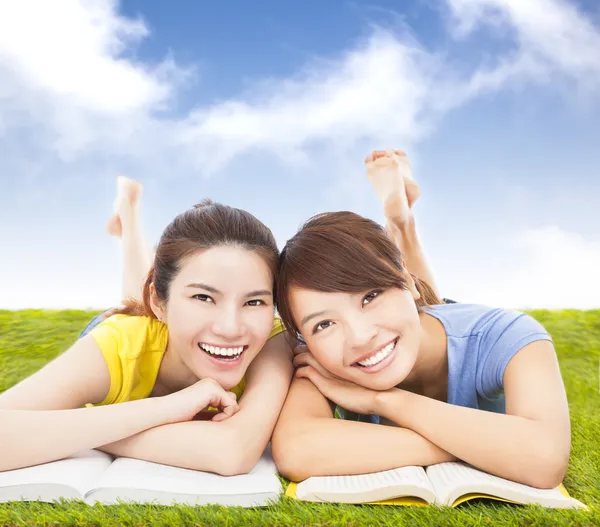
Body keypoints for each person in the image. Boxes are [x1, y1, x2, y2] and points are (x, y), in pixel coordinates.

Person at [271, 150, 570, 489]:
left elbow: (544, 459)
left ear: (408, 280)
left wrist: (383, 400)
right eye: (323, 324)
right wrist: (485, 447)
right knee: (413, 314)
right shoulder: (317, 353)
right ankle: (399, 224)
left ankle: (401, 225)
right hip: (414, 320)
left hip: (443, 322)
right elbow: (298, 450)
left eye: (370, 296)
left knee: (424, 309)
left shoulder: (506, 335)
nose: (358, 337)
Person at [0, 177, 293, 474]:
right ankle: (129, 222)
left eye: (254, 302)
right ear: (160, 303)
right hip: (134, 327)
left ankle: (128, 222)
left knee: (147, 294)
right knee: (135, 306)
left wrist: (97, 430)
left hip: (158, 316)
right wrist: (169, 407)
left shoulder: (273, 340)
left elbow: (231, 453)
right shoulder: (116, 346)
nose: (231, 328)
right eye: (203, 297)